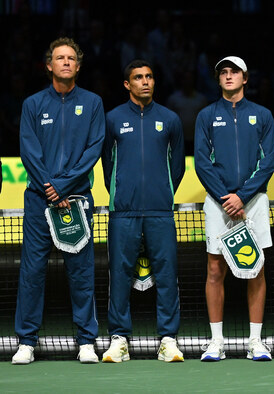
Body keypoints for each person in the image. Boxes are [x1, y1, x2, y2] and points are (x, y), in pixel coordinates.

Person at [13, 37, 105, 364]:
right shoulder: (33, 105)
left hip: (76, 199)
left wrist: (64, 186)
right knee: (33, 271)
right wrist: (50, 186)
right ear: (49, 65)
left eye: (71, 58)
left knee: (81, 271)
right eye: (59, 58)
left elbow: (93, 149)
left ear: (78, 66)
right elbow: (29, 152)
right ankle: (26, 341)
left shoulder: (93, 103)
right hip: (39, 200)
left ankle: (86, 342)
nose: (65, 62)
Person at [194, 56, 274, 361]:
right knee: (215, 268)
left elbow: (268, 161)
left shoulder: (263, 115)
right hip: (218, 204)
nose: (228, 76)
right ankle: (216, 342)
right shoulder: (206, 116)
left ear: (245, 77)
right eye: (223, 73)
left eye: (234, 72)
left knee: (256, 268)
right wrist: (225, 197)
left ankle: (255, 341)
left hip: (254, 202)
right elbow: (202, 162)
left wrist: (242, 197)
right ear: (218, 80)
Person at [101, 59, 185, 363]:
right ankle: (119, 339)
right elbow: (108, 165)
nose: (145, 81)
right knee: (120, 275)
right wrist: (122, 193)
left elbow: (177, 167)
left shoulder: (171, 119)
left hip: (161, 211)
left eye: (149, 76)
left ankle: (168, 340)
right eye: (138, 77)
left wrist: (161, 192)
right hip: (122, 211)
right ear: (127, 84)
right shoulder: (111, 119)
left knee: (167, 274)